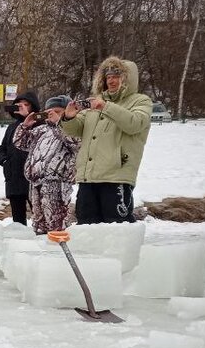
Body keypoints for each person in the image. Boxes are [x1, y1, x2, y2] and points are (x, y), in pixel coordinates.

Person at [60, 56, 151, 224]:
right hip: (88, 178)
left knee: (117, 226)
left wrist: (106, 107)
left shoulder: (140, 101)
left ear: (127, 79)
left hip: (116, 176)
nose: (111, 81)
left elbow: (135, 124)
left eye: (116, 76)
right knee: (86, 225)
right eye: (108, 77)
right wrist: (68, 117)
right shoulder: (97, 102)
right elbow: (77, 129)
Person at [12, 95, 81, 235]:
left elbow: (75, 144)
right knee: (39, 222)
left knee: (56, 223)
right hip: (36, 183)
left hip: (57, 183)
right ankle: (42, 250)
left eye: (57, 111)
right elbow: (19, 143)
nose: (52, 114)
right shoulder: (41, 130)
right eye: (49, 111)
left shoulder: (73, 128)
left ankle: (59, 251)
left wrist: (59, 123)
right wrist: (25, 126)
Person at [0, 91, 40, 226]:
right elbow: (2, 148)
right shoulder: (11, 127)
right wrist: (4, 161)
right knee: (18, 221)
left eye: (26, 104)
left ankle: (42, 242)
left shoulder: (40, 125)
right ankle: (20, 244)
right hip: (14, 177)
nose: (21, 107)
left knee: (40, 215)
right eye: (18, 105)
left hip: (33, 178)